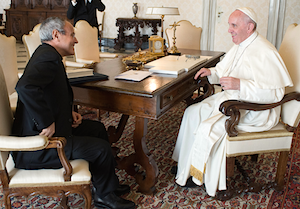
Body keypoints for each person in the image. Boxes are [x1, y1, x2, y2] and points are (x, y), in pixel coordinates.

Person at [12, 17, 135, 209]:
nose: (76, 40)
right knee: (100, 148)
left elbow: (49, 92)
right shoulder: (47, 57)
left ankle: (105, 186)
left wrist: (68, 113)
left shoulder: (48, 54)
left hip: (55, 131)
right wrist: (46, 121)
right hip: (37, 147)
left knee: (97, 129)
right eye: (72, 35)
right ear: (56, 35)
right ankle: (104, 198)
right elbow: (25, 87)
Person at [172, 7, 293, 197]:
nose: (229, 29)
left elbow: (275, 93)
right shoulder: (241, 43)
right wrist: (212, 72)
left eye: (234, 25)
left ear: (249, 27)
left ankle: (200, 176)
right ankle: (186, 165)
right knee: (192, 112)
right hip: (234, 100)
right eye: (230, 25)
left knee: (209, 127)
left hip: (255, 110)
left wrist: (240, 85)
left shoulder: (264, 51)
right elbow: (226, 67)